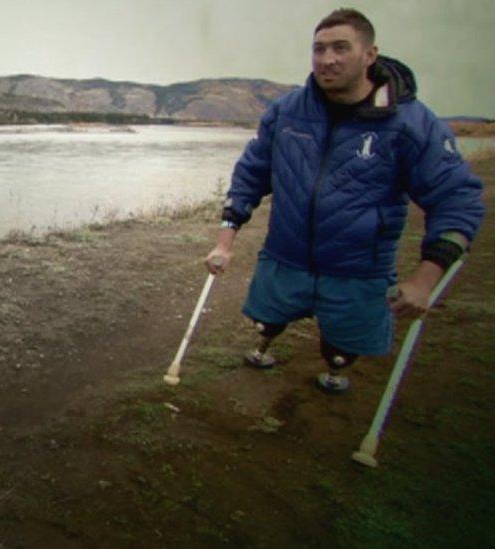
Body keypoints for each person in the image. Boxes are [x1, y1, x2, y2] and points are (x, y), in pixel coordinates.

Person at [204, 8, 485, 393]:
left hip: (359, 269)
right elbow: (252, 171)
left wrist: (426, 278)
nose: (327, 59)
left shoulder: (410, 123)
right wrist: (225, 238)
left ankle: (336, 369)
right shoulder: (287, 112)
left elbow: (456, 198)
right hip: (285, 256)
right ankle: (264, 344)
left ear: (370, 54)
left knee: (342, 346)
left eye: (341, 47)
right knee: (267, 319)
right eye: (318, 49)